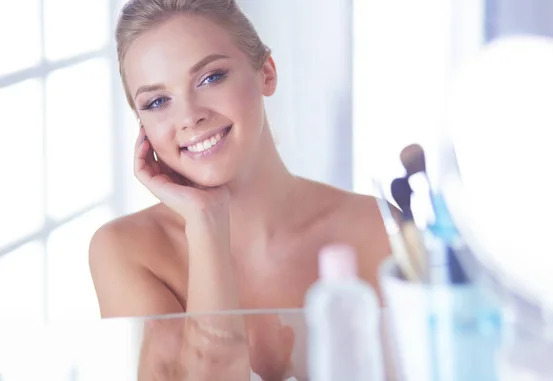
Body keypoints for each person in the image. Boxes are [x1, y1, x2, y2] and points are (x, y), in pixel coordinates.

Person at [89, 0, 392, 379]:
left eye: (210, 78)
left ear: (266, 72)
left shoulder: (381, 229)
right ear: (142, 128)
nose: (189, 116)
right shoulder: (126, 250)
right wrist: (205, 224)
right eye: (157, 101)